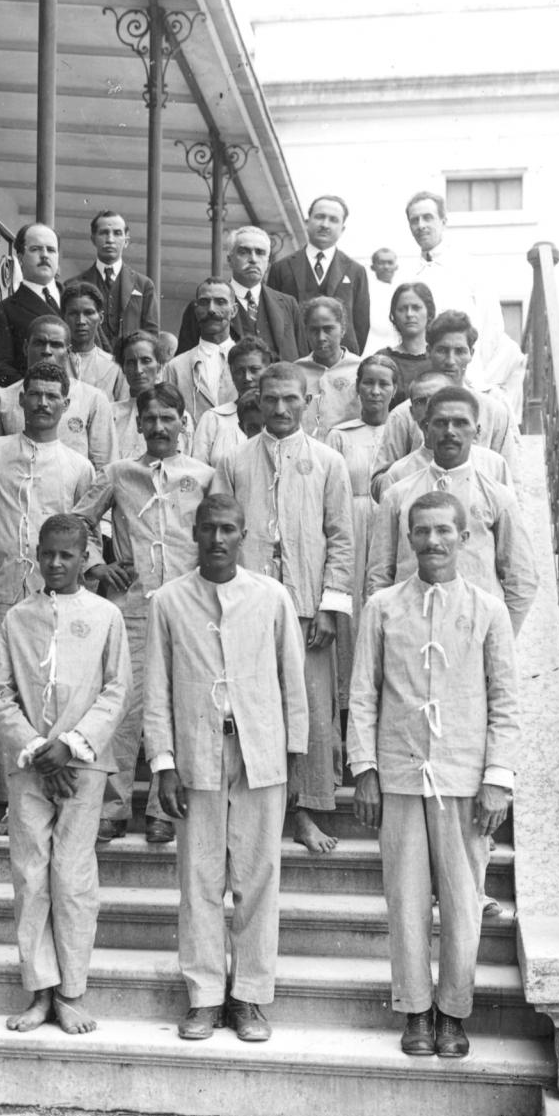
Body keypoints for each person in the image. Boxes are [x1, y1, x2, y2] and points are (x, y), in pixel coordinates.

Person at [349, 491, 519, 1058]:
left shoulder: (487, 609)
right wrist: (365, 769)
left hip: (464, 776)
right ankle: (416, 1010)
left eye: (444, 531)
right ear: (409, 538)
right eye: (421, 531)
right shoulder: (383, 607)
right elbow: (363, 694)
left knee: (464, 901)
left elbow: (505, 700)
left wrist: (497, 776)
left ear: (463, 537)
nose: (433, 542)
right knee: (405, 898)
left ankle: (453, 1011)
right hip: (399, 771)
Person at [144, 494, 308, 1042]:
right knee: (200, 877)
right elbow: (157, 689)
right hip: (196, 754)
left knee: (258, 877)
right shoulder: (168, 601)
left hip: (259, 751)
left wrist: (294, 754)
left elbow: (293, 680)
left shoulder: (271, 596)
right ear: (194, 532)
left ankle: (251, 997)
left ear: (245, 534)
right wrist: (164, 762)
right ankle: (204, 996)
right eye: (209, 529)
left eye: (229, 530)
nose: (218, 539)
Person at [0, 513, 131, 1035]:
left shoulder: (105, 616)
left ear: (84, 555)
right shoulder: (18, 618)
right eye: (47, 553)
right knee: (30, 875)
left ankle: (71, 991)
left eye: (66, 555)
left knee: (71, 877)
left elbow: (117, 690)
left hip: (83, 765)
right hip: (28, 768)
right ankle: (39, 990)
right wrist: (33, 747)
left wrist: (70, 746)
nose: (55, 563)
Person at [0, 362, 98, 834]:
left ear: (66, 404)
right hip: (4, 592)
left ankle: (51, 795)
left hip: (55, 598)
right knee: (4, 697)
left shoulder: (79, 466)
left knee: (50, 693)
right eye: (34, 394)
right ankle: (13, 798)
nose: (42, 403)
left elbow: (83, 530)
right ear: (21, 398)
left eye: (52, 396)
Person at [213, 362, 354, 856]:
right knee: (249, 707)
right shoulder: (233, 462)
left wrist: (330, 604)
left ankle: (307, 810)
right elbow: (218, 534)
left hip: (307, 607)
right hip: (247, 609)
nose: (280, 408)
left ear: (308, 399)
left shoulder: (327, 461)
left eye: (291, 399)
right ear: (257, 399)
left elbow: (340, 536)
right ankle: (249, 808)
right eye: (270, 398)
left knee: (311, 711)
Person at [72, 383, 215, 845]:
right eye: (149, 419)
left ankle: (162, 807)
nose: (157, 427)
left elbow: (217, 533)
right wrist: (97, 564)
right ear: (137, 423)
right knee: (125, 703)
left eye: (167, 418)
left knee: (176, 701)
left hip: (187, 606)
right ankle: (113, 805)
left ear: (182, 422)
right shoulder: (119, 472)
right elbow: (79, 522)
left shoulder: (204, 476)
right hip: (132, 605)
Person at [367, 387, 538, 635]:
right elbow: (379, 575)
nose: (450, 431)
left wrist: (498, 637)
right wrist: (389, 630)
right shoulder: (398, 494)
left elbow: (522, 578)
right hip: (408, 632)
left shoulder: (497, 496)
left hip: (475, 632)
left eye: (460, 423)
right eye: (440, 423)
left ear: (477, 431)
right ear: (425, 428)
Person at [404, 191, 526, 417]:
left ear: (443, 221)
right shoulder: (410, 275)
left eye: (428, 218)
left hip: (468, 372)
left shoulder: (468, 266)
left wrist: (475, 376)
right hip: (427, 374)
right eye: (414, 220)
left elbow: (491, 327)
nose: (421, 225)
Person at [370, 311, 522, 490]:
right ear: (428, 352)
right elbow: (379, 482)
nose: (451, 360)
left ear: (471, 354)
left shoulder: (493, 412)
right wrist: (414, 475)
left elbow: (512, 482)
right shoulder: (405, 414)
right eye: (442, 350)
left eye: (459, 351)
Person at [325, 355, 398, 718]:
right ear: (357, 387)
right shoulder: (340, 434)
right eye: (368, 382)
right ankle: (349, 709)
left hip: (390, 525)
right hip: (351, 524)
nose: (375, 390)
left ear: (394, 390)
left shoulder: (404, 433)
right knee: (352, 612)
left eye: (383, 383)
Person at [0, 316, 117, 471]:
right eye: (39, 343)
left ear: (68, 352)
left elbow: (105, 472)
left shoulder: (94, 400)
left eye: (55, 345)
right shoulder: (0, 400)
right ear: (26, 348)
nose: (46, 351)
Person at [175, 226, 306, 360]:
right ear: (229, 259)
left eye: (260, 253)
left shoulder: (288, 305)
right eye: (244, 252)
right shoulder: (202, 306)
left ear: (268, 261)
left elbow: (303, 361)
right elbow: (184, 362)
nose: (253, 259)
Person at [266, 195, 370, 354]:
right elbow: (273, 319)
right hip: (295, 361)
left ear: (342, 229)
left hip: (340, 364)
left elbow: (361, 325)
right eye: (320, 217)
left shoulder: (356, 271)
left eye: (333, 219)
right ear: (307, 222)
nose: (325, 224)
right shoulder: (281, 268)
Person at [0, 223, 62, 387]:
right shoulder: (4, 311)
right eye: (35, 249)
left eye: (51, 250)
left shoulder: (77, 302)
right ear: (20, 258)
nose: (45, 255)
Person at [77, 210, 158, 351]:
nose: (110, 239)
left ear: (126, 241)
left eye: (117, 233)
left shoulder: (144, 285)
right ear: (93, 239)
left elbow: (151, 335)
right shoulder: (76, 285)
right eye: (103, 233)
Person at [109, 331, 195, 459]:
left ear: (159, 366)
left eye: (146, 360)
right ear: (123, 368)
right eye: (131, 362)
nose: (138, 370)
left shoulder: (176, 414)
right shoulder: (110, 413)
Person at [164, 278, 237, 425]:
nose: (211, 309)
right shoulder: (176, 367)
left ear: (234, 310)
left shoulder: (250, 362)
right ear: (196, 309)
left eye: (220, 302)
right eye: (204, 302)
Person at [191, 336, 272, 468]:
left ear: (268, 370)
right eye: (239, 372)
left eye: (254, 370)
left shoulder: (280, 415)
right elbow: (199, 471)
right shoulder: (213, 418)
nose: (247, 378)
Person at [296, 297, 362, 438]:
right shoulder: (296, 371)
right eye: (314, 330)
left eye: (328, 329)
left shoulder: (360, 369)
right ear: (306, 332)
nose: (321, 337)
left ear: (343, 329)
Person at [60, 280, 126, 401]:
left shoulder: (114, 365)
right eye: (73, 313)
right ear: (63, 317)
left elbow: (122, 410)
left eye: (88, 313)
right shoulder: (55, 361)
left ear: (100, 318)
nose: (81, 321)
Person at [373, 281, 434, 405]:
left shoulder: (439, 358)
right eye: (402, 309)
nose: (409, 314)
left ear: (429, 313)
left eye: (416, 308)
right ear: (394, 315)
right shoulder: (383, 359)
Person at [363, 247, 399, 357]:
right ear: (373, 267)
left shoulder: (401, 289)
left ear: (396, 267)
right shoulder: (365, 291)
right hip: (372, 344)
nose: (386, 267)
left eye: (390, 263)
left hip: (396, 343)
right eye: (381, 263)